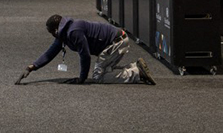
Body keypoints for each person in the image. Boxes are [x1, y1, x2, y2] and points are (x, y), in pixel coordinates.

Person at [23, 14, 155, 85]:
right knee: (104, 70)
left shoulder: (74, 32)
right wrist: (32, 66)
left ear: (57, 29)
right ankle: (134, 66)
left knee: (99, 76)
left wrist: (82, 78)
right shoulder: (64, 34)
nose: (52, 35)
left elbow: (85, 55)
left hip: (116, 42)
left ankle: (137, 73)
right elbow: (50, 52)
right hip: (116, 40)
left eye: (51, 32)